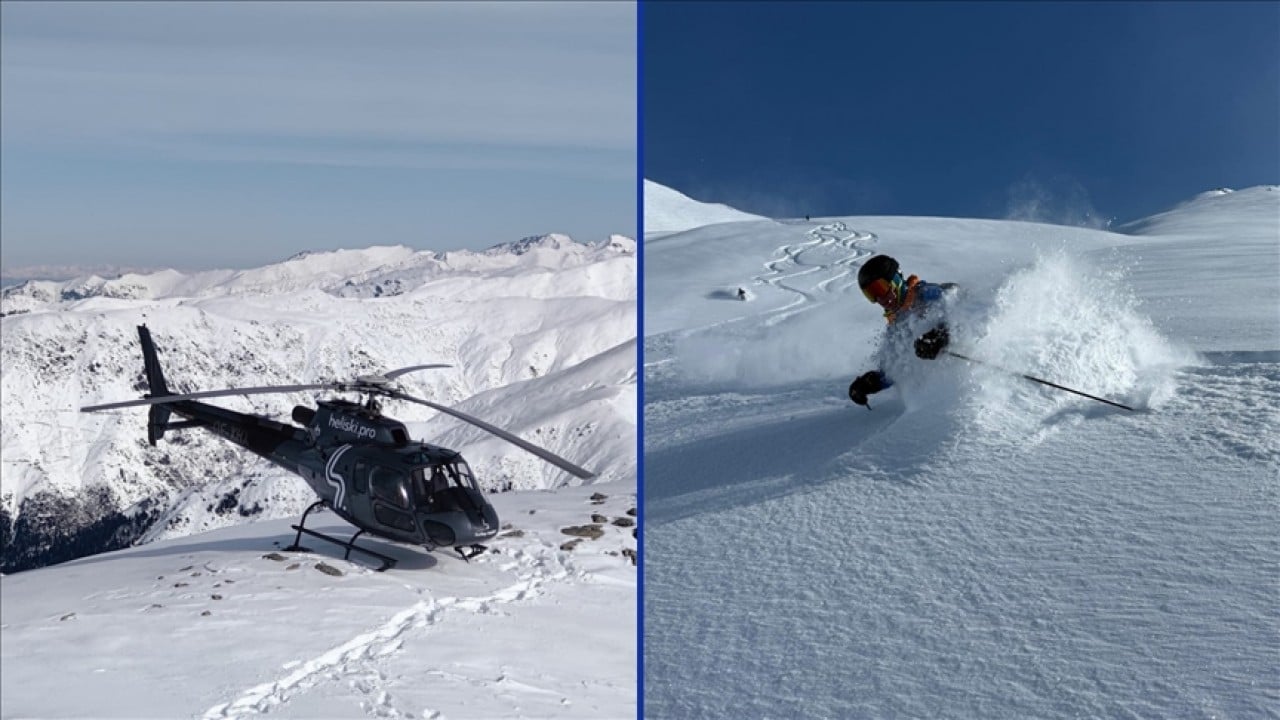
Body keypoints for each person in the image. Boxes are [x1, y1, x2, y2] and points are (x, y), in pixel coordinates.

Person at [848, 254, 954, 406]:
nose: (879, 298)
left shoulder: (926, 295)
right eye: (871, 294)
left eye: (880, 288)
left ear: (895, 280)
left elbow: (960, 311)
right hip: (941, 396)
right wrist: (871, 383)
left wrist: (941, 335)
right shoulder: (895, 328)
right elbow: (894, 372)